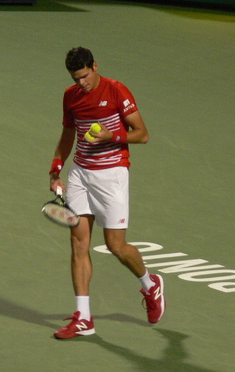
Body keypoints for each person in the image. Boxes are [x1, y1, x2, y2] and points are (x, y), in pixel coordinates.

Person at [48, 47, 164, 340]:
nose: (82, 83)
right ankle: (84, 317)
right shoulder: (70, 96)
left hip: (112, 175)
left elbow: (142, 133)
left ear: (95, 66)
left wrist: (112, 136)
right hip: (80, 175)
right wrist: (56, 169)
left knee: (116, 246)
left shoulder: (116, 90)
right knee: (78, 244)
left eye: (85, 76)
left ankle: (150, 284)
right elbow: (68, 133)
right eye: (77, 78)